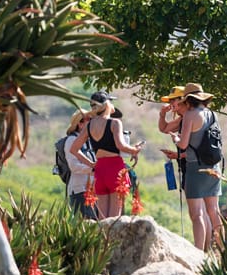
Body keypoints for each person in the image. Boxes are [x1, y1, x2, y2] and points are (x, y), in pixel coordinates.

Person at [70, 91, 145, 219]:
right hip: (115, 169)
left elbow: (74, 149)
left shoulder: (89, 125)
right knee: (115, 218)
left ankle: (103, 239)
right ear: (106, 104)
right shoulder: (115, 123)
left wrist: (92, 164)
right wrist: (134, 150)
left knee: (103, 219)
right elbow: (121, 145)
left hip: (100, 170)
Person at [170, 83, 222, 251]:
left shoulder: (190, 116)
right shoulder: (212, 114)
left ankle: (198, 253)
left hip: (195, 167)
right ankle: (224, 250)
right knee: (213, 211)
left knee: (196, 213)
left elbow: (183, 144)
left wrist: (176, 140)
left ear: (188, 100)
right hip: (214, 166)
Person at [63, 109, 98, 220]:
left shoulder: (90, 141)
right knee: (87, 224)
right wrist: (92, 170)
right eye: (89, 119)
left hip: (93, 190)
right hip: (79, 190)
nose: (92, 122)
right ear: (80, 123)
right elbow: (73, 166)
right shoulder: (71, 140)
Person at [158, 85, 187, 191]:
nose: (170, 103)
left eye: (172, 100)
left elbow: (198, 149)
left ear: (182, 100)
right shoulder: (182, 119)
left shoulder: (192, 118)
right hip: (187, 167)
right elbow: (164, 128)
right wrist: (162, 114)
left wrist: (178, 155)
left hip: (195, 169)